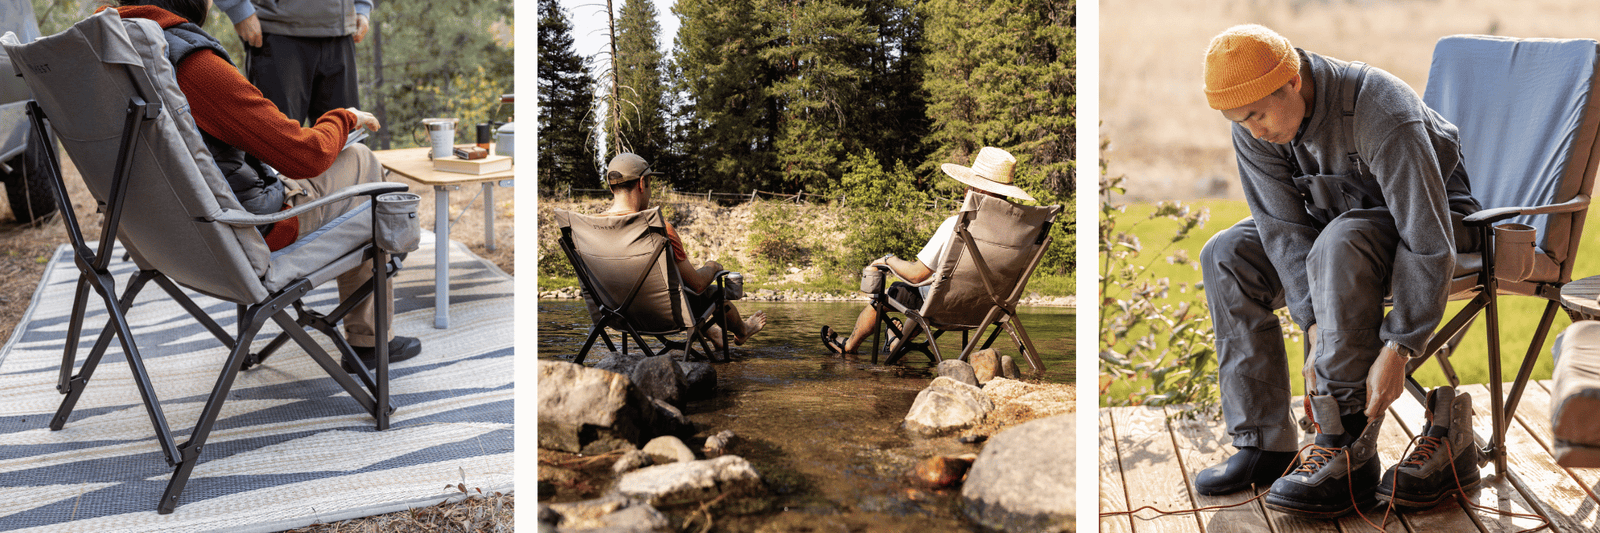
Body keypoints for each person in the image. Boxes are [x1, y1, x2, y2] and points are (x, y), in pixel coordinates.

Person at [1194, 24, 1483, 517]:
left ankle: (1344, 444)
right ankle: (1263, 444)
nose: (1253, 130)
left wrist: (1401, 346)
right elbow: (1283, 231)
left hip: (1439, 225)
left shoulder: (1380, 108)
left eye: (1257, 114)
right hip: (1337, 230)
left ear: (1291, 81)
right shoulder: (1255, 128)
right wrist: (1312, 326)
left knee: (1341, 240)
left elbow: (1427, 237)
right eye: (1239, 121)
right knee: (1226, 253)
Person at [110, 0, 421, 371]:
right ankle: (370, 342)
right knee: (361, 161)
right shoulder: (192, 64)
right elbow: (303, 155)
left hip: (160, 237)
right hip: (245, 233)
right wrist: (345, 118)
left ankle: (374, 301)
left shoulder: (104, 49)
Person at [820, 146, 1037, 356]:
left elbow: (917, 274)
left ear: (976, 191)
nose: (965, 190)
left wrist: (888, 260)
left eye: (969, 186)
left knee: (897, 292)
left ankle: (849, 347)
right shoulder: (1022, 233)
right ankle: (896, 342)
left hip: (944, 309)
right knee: (923, 295)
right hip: (989, 312)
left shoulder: (957, 225)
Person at [599, 152, 766, 349]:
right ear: (642, 183)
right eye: (650, 184)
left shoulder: (589, 229)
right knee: (711, 292)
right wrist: (712, 266)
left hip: (616, 316)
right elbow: (697, 285)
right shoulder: (659, 228)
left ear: (611, 187)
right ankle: (742, 330)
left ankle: (713, 333)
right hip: (664, 317)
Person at [213, 0, 369, 124]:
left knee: (348, 142)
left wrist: (362, 5)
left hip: (341, 34)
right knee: (275, 143)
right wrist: (239, 9)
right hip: (278, 31)